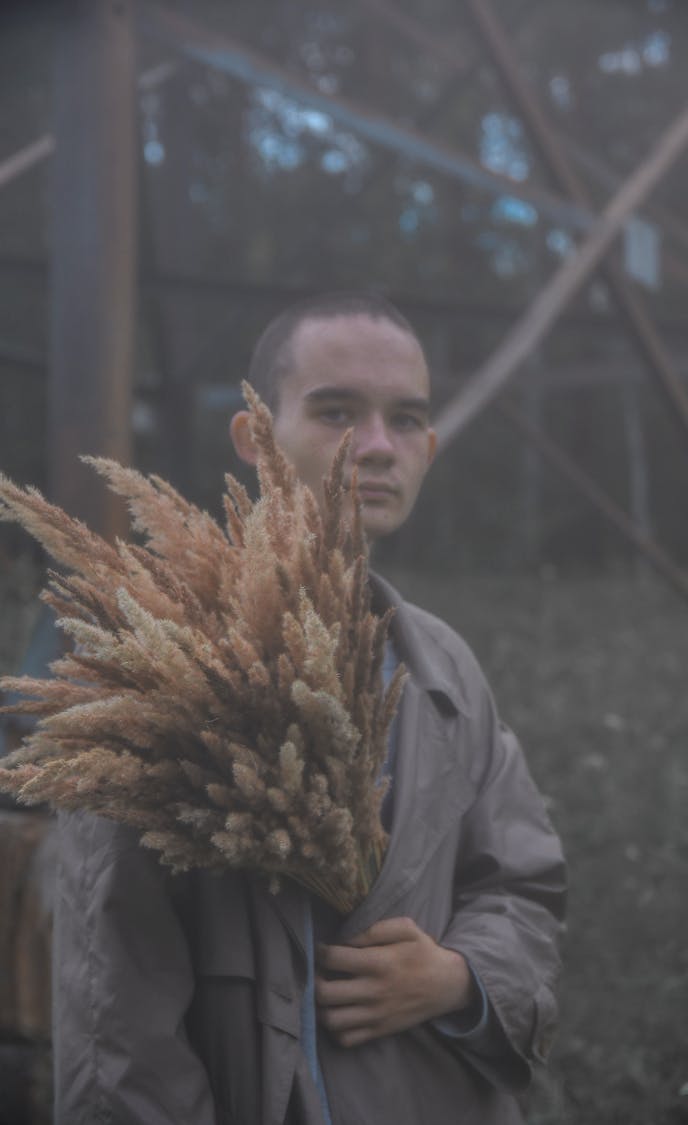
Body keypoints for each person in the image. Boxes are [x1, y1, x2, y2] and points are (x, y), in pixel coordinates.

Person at [53, 292, 566, 1124]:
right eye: (336, 412)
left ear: (429, 448)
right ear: (254, 438)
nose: (375, 446)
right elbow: (119, 1035)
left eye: (405, 420)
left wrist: (462, 978)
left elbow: (521, 883)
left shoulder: (448, 670)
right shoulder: (159, 674)